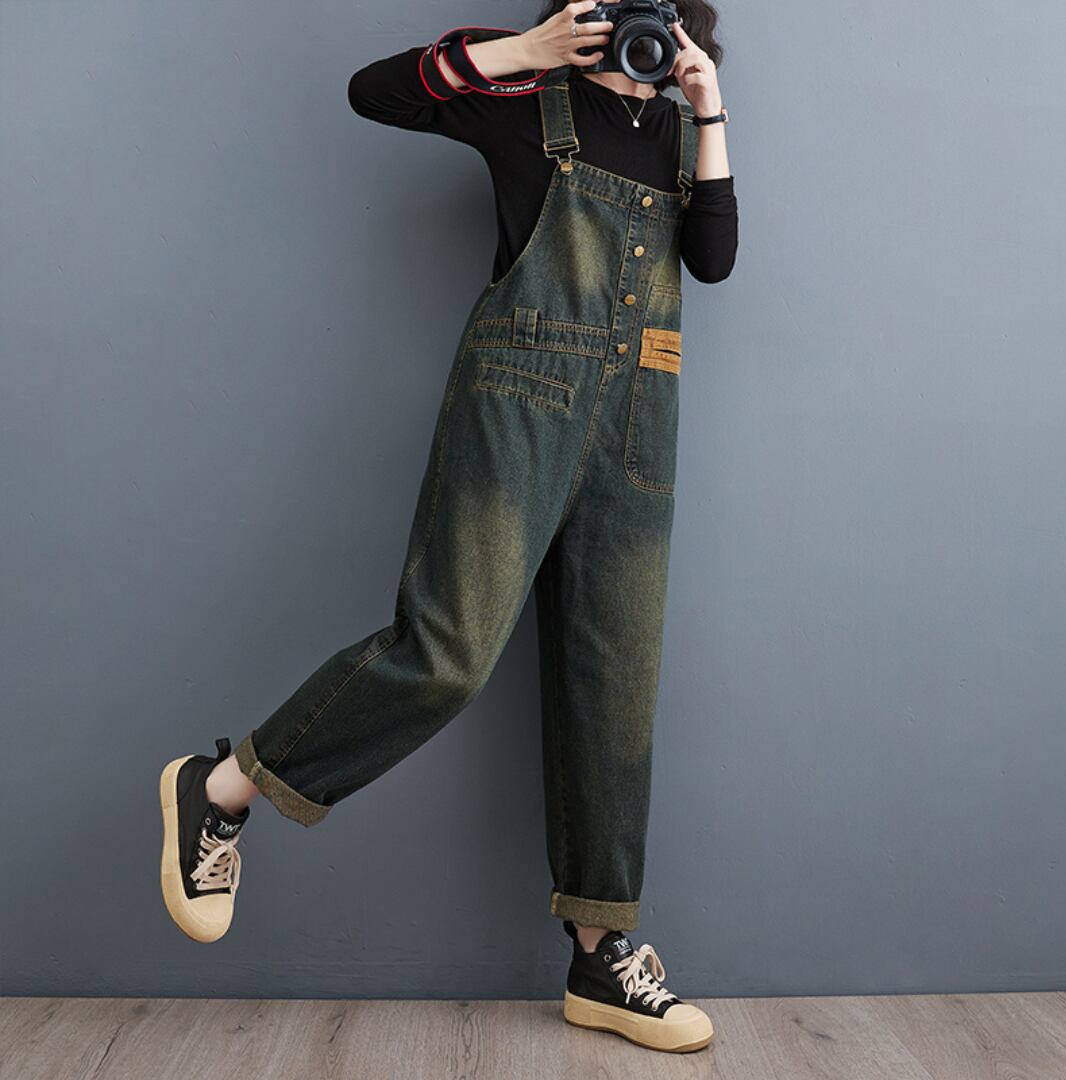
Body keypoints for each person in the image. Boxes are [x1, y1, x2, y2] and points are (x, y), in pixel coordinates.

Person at [159, 0, 737, 1054]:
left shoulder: (672, 130)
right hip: (519, 406)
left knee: (616, 683)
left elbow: (714, 258)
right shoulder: (526, 97)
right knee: (449, 650)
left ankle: (600, 955)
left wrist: (708, 109)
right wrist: (522, 50)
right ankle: (222, 786)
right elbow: (372, 92)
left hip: (636, 424)